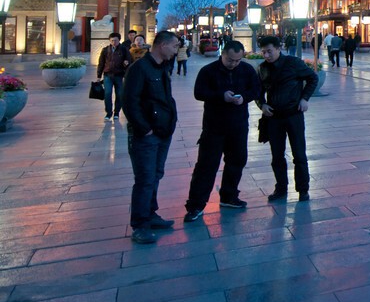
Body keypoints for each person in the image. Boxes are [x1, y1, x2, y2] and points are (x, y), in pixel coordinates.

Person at [184, 40, 262, 222]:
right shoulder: (208, 71)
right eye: (230, 60)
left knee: (237, 161)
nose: (234, 64)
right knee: (206, 165)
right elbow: (199, 92)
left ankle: (229, 196)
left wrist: (244, 98)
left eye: (237, 60)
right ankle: (195, 205)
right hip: (214, 126)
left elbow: (256, 90)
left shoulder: (247, 70)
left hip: (239, 125)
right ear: (223, 54)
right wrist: (221, 96)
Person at [123, 31, 181, 244]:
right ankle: (140, 225)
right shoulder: (139, 68)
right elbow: (129, 101)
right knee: (145, 179)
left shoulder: (162, 67)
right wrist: (144, 128)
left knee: (156, 174)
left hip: (163, 131)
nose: (176, 50)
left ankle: (151, 213)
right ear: (162, 45)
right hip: (147, 134)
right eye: (174, 46)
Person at [257, 36, 318, 202]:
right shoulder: (262, 68)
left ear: (278, 48)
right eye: (263, 52)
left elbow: (313, 78)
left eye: (269, 51)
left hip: (294, 115)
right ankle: (281, 188)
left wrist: (305, 98)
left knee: (299, 154)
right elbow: (258, 90)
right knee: (277, 155)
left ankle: (303, 189)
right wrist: (262, 104)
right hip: (274, 117)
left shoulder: (293, 63)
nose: (267, 55)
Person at [97, 33, 130, 121]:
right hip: (108, 75)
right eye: (112, 40)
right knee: (107, 94)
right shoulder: (105, 50)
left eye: (115, 40)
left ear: (119, 40)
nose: (113, 42)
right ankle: (108, 113)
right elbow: (101, 63)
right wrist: (98, 75)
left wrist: (126, 64)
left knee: (119, 94)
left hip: (119, 75)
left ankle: (116, 113)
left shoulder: (124, 49)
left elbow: (128, 60)